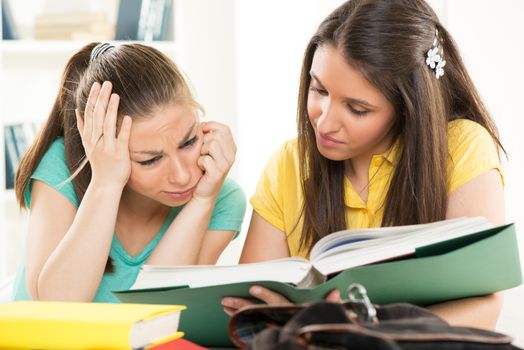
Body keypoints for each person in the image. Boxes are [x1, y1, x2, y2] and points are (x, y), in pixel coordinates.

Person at [222, 0, 505, 330]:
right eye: (319, 90)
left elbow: (483, 308)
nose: (325, 124)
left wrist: (352, 332)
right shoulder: (289, 163)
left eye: (357, 109)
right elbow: (250, 308)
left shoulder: (461, 147)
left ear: (408, 108)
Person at [12, 42, 246, 303]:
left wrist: (202, 202)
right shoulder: (63, 165)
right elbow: (57, 304)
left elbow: (160, 311)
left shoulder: (222, 198)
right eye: (150, 160)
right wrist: (106, 183)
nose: (182, 176)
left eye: (189, 142)